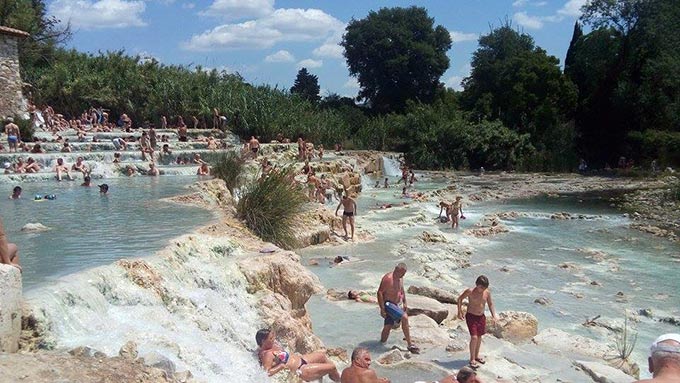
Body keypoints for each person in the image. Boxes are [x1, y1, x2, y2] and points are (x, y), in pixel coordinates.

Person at [256, 328, 341, 382]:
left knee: (322, 356)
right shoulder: (267, 354)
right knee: (332, 367)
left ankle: (337, 379)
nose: (273, 339)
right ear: (263, 341)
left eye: (273, 337)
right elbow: (266, 372)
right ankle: (340, 380)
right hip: (301, 370)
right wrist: (280, 366)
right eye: (271, 338)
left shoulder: (271, 347)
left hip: (301, 360)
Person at [377, 263, 420, 354]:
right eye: (402, 273)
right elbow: (379, 293)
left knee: (387, 327)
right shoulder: (388, 279)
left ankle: (380, 345)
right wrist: (382, 308)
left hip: (396, 304)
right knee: (404, 317)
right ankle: (409, 344)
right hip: (388, 304)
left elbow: (401, 289)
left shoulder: (400, 278)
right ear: (396, 269)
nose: (403, 275)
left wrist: (404, 302)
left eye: (404, 274)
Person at [457, 275, 498, 369]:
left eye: (485, 287)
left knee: (479, 337)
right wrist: (459, 311)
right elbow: (459, 299)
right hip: (471, 316)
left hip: (481, 317)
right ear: (477, 285)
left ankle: (476, 356)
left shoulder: (487, 292)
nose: (483, 289)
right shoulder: (470, 291)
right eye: (481, 287)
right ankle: (472, 359)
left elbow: (490, 304)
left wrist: (493, 315)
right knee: (474, 337)